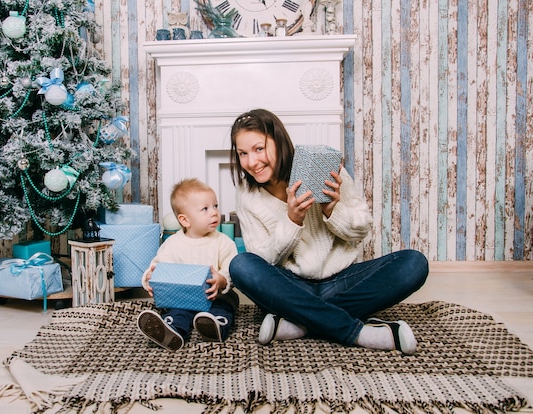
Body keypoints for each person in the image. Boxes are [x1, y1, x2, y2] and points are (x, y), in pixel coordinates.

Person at [227, 109, 428, 355]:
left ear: (279, 142)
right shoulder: (247, 194)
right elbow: (262, 260)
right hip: (290, 286)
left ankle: (300, 322)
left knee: (413, 263)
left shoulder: (321, 168)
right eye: (243, 154)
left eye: (259, 149)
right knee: (241, 266)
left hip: (341, 280)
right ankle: (358, 332)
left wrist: (332, 210)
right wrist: (292, 220)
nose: (251, 162)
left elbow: (361, 229)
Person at [138, 178, 239, 351]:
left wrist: (221, 280)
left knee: (225, 304)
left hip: (214, 297)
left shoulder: (223, 242)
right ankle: (172, 330)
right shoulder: (172, 244)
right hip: (183, 298)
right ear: (185, 220)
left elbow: (231, 268)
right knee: (177, 311)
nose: (214, 213)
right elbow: (159, 267)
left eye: (215, 206)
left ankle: (215, 327)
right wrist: (149, 277)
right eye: (205, 209)